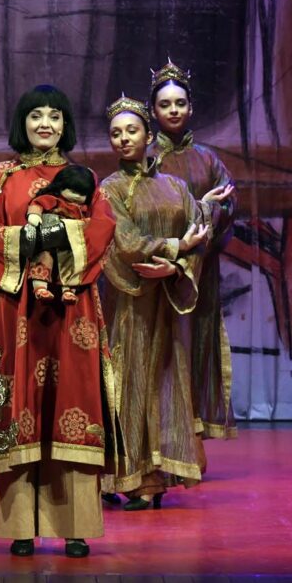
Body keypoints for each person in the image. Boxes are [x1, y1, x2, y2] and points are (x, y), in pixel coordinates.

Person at [0, 85, 116, 557]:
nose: (45, 123)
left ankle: (75, 526)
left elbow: (102, 229)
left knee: (72, 402)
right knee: (16, 406)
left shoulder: (84, 177)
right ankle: (20, 527)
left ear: (66, 124)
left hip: (70, 309)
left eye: (55, 115)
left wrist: (58, 234)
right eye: (36, 115)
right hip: (14, 309)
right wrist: (31, 240)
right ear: (22, 122)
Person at [99, 95, 215, 510]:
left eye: (132, 130)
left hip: (168, 299)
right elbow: (125, 242)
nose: (124, 139)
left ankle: (154, 477)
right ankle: (127, 476)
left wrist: (177, 265)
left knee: (166, 381)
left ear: (149, 136)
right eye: (116, 133)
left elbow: (200, 234)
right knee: (128, 381)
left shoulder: (176, 187)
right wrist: (175, 246)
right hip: (130, 303)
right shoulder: (110, 189)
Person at [148, 60, 236, 449]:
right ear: (153, 111)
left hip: (201, 271)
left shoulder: (209, 159)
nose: (173, 110)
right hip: (161, 267)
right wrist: (198, 209)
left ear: (191, 107)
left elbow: (229, 205)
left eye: (180, 103)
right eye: (165, 104)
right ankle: (161, 438)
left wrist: (206, 215)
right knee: (163, 347)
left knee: (197, 344)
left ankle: (193, 434)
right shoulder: (146, 158)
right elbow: (142, 211)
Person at [25, 164, 97, 303]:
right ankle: (40, 287)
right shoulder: (54, 200)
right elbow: (37, 204)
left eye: (82, 194)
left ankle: (68, 290)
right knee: (43, 257)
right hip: (48, 236)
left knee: (72, 261)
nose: (77, 196)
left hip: (69, 242)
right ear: (61, 186)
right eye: (73, 191)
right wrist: (34, 216)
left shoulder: (82, 209)